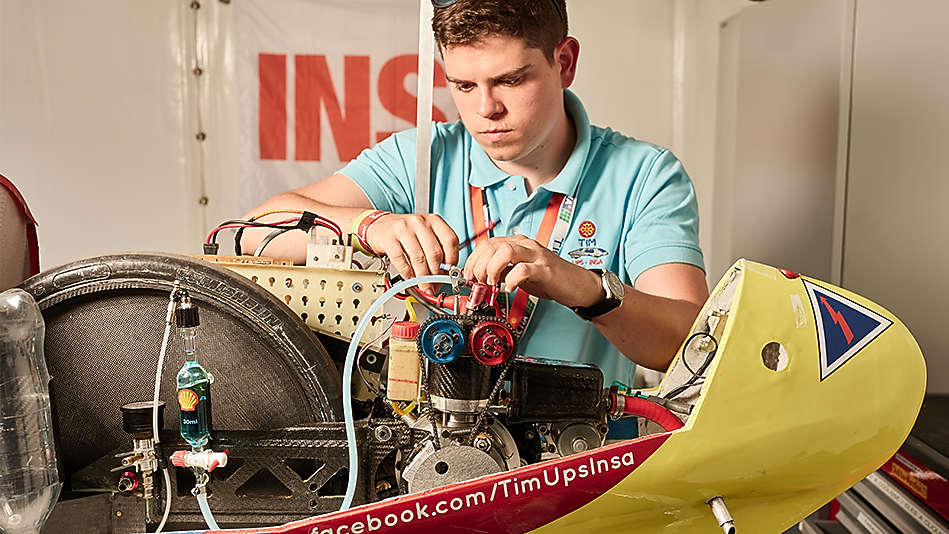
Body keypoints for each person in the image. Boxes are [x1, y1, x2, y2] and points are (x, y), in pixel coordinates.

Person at [243, 0, 708, 391]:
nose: (486, 109)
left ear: (564, 62)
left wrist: (581, 286)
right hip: (429, 462)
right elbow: (251, 234)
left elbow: (689, 344)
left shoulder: (644, 175)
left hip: (577, 463)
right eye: (464, 85)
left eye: (510, 80)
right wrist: (369, 226)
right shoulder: (420, 158)